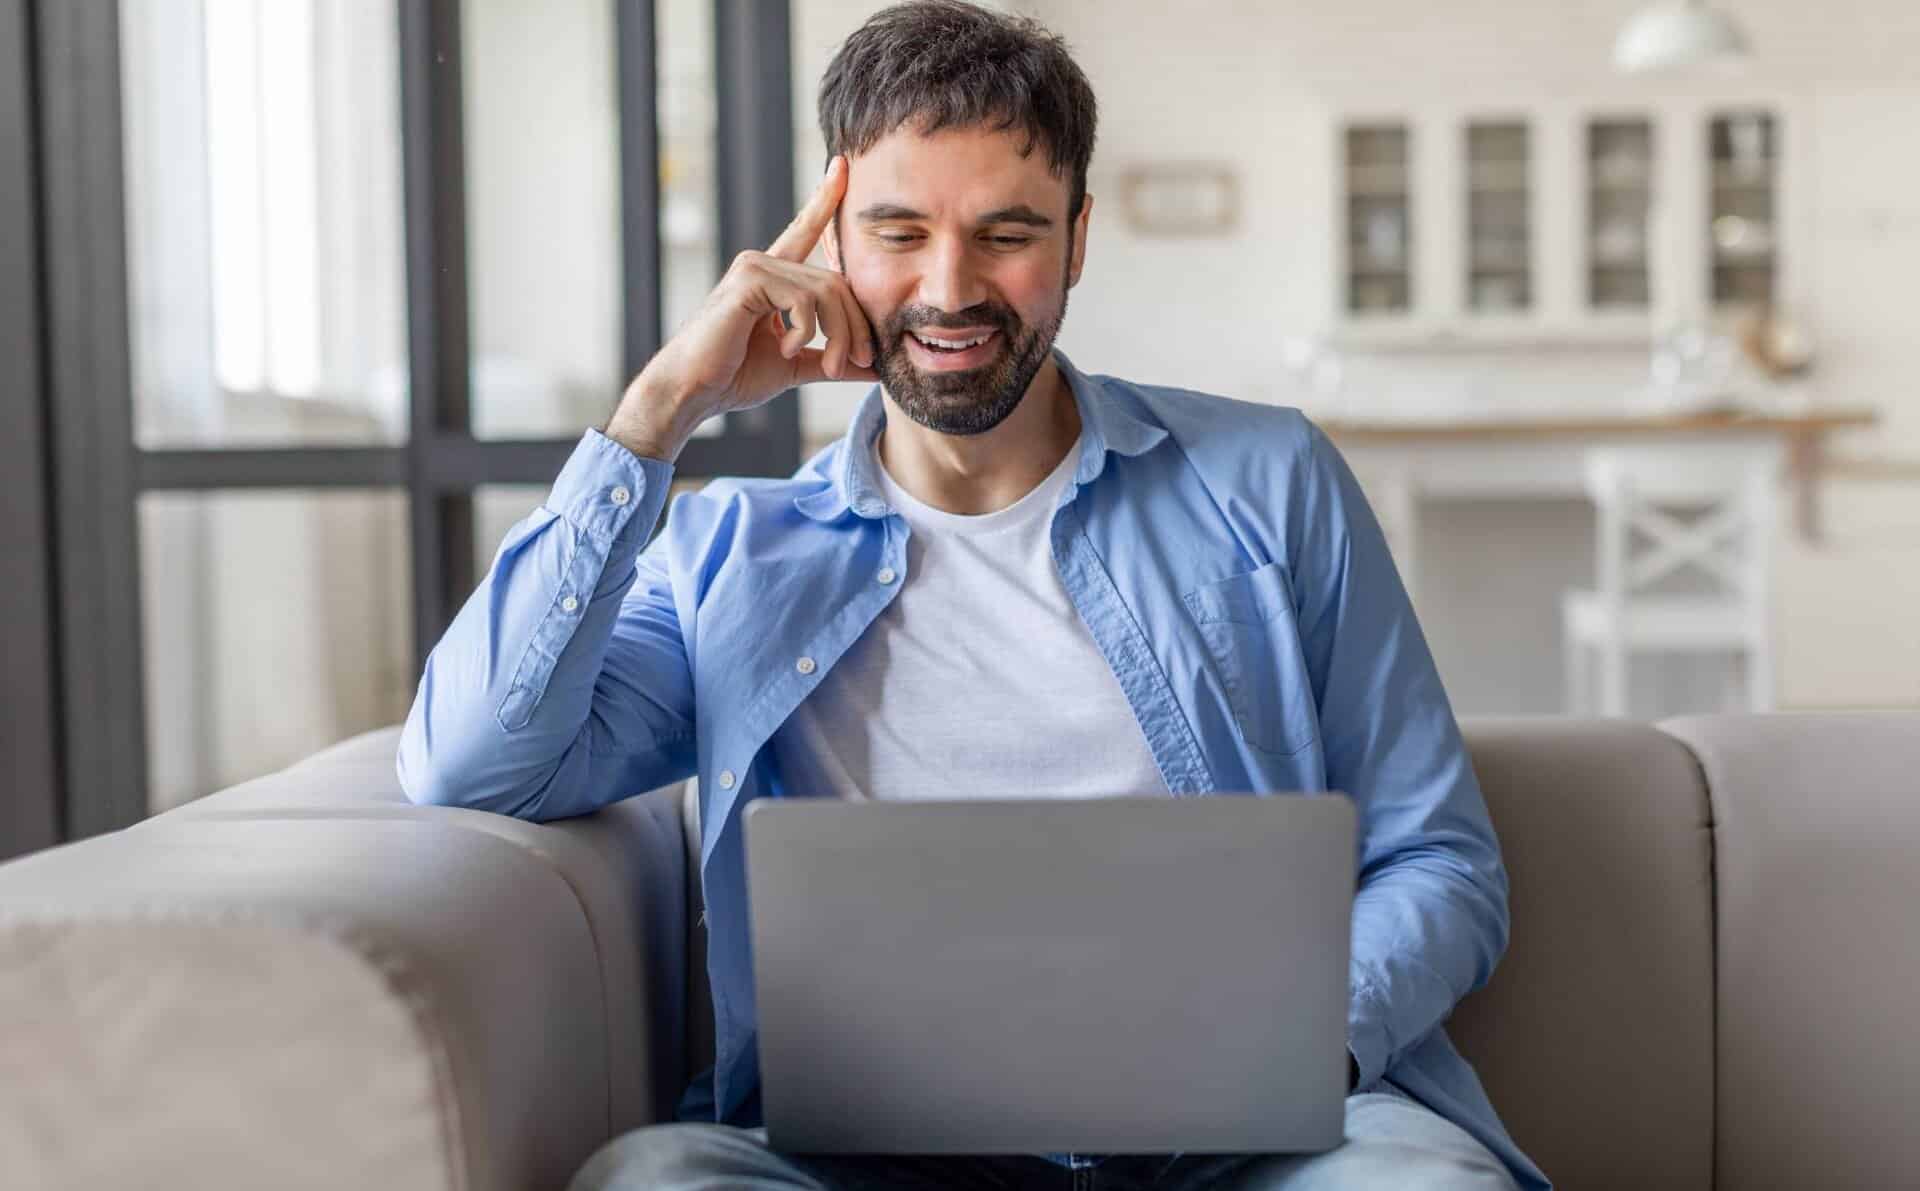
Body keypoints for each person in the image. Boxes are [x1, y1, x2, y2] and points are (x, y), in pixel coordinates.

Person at [399, 3, 1547, 1187]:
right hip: (876, 1153)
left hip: (1257, 1140)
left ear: (1078, 238)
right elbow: (472, 762)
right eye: (898, 232)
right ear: (830, 240)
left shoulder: (1270, 480)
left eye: (1008, 233)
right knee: (656, 1180)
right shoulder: (730, 556)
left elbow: (1440, 861)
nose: (951, 289)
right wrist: (660, 413)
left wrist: (1289, 1050)